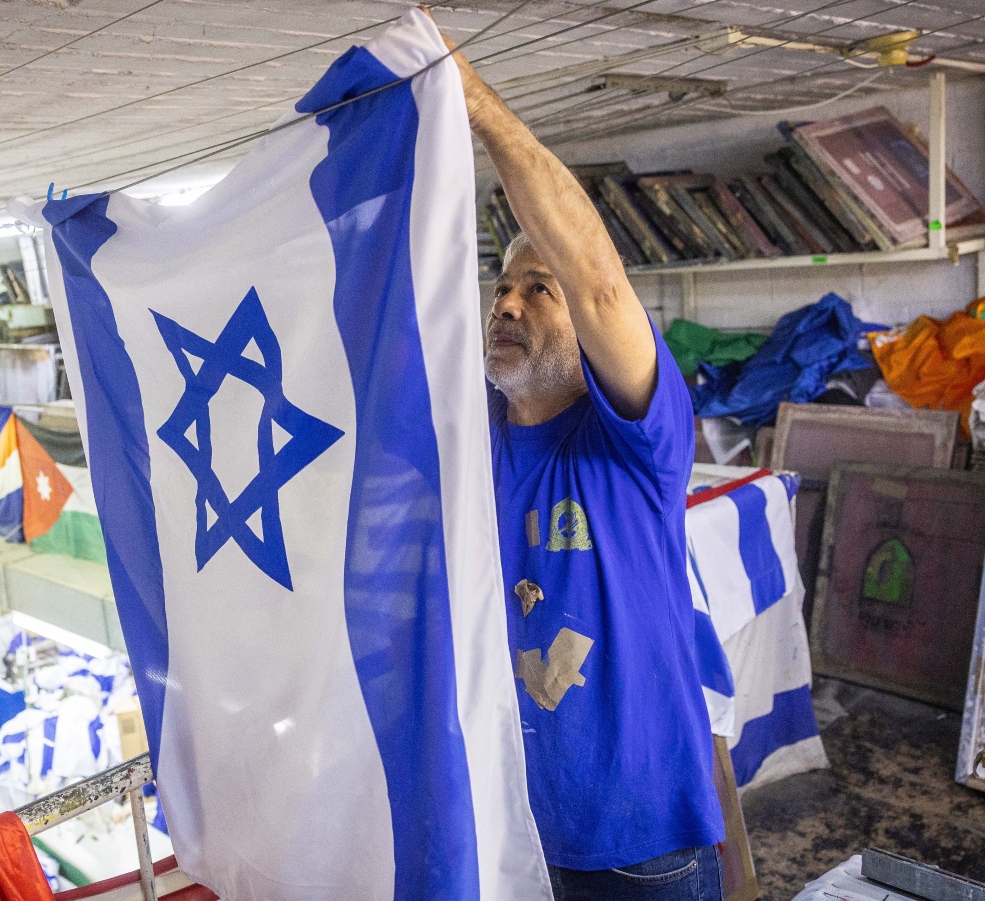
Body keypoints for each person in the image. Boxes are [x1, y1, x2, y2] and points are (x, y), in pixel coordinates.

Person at [436, 17, 725, 901]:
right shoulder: (470, 436)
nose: (509, 304)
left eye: (537, 289)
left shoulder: (636, 436)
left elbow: (599, 276)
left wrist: (474, 105)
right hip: (513, 834)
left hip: (641, 840)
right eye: (502, 288)